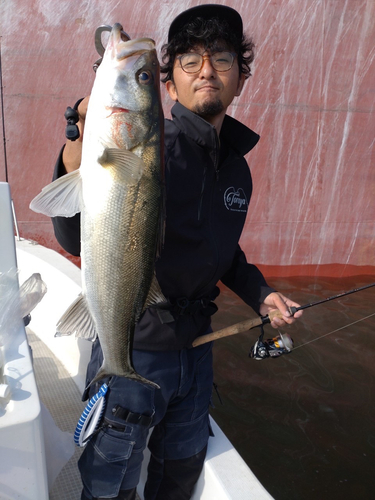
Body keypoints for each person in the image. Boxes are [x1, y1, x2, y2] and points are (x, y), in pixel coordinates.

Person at [51, 5, 302, 500]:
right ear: (168, 86)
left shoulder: (236, 169)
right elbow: (71, 234)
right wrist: (77, 145)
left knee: (179, 478)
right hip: (136, 346)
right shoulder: (151, 146)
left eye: (222, 59)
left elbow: (224, 252)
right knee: (109, 486)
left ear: (240, 78)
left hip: (197, 355)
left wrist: (262, 295)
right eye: (190, 61)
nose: (207, 70)